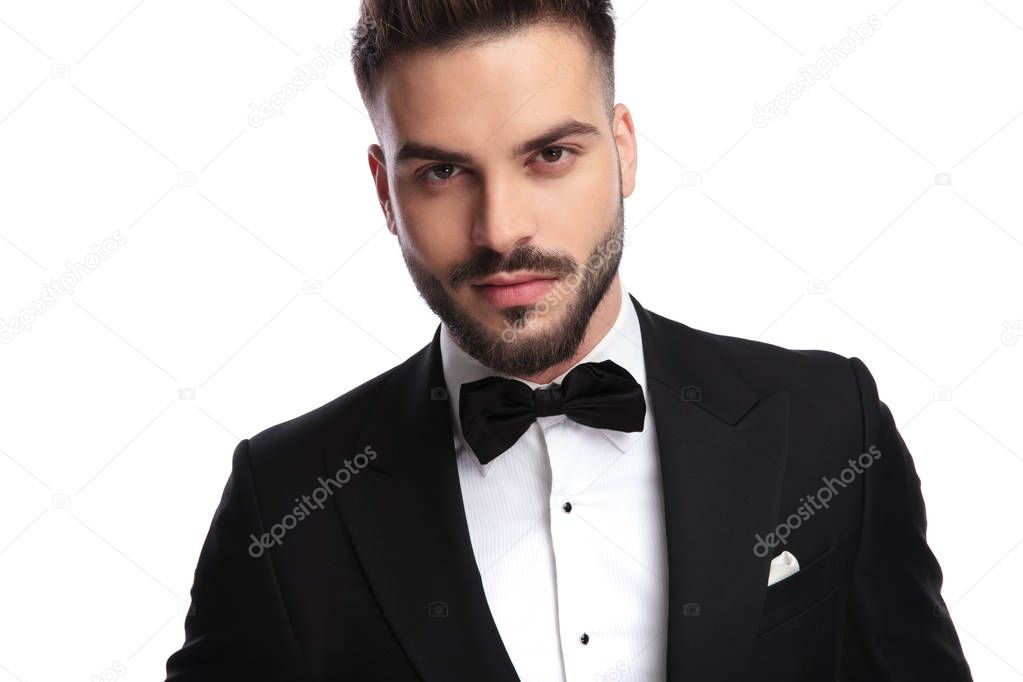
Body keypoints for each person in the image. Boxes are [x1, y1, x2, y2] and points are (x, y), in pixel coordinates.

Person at [165, 1, 973, 679]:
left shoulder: (831, 425)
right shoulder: (285, 499)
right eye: (441, 173)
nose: (501, 229)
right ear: (384, 190)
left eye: (549, 155)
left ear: (621, 149)